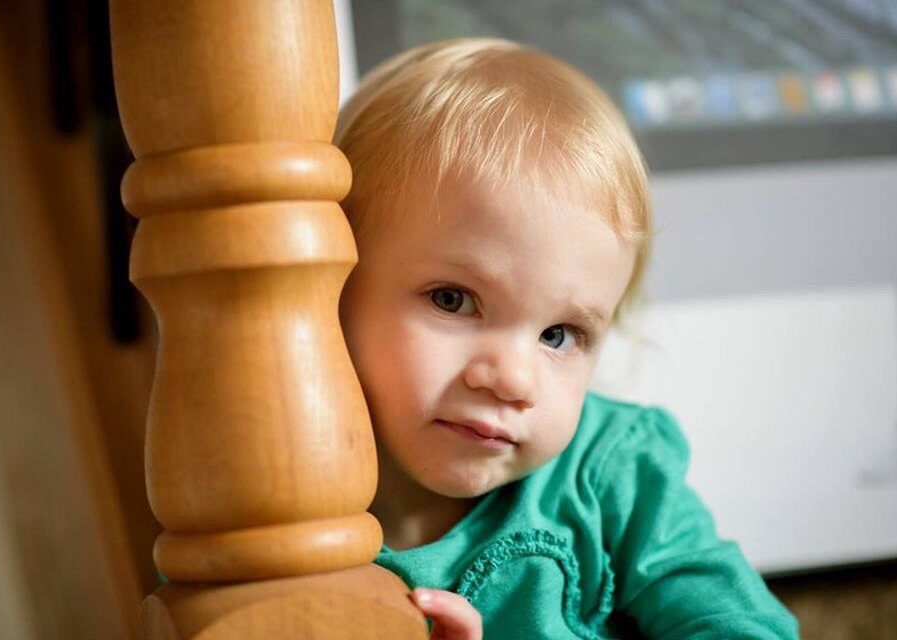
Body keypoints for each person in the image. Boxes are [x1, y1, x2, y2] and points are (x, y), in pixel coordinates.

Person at [334, 38, 798, 639]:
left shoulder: (614, 474)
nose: (513, 379)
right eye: (453, 300)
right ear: (331, 282)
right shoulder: (271, 485)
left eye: (559, 334)